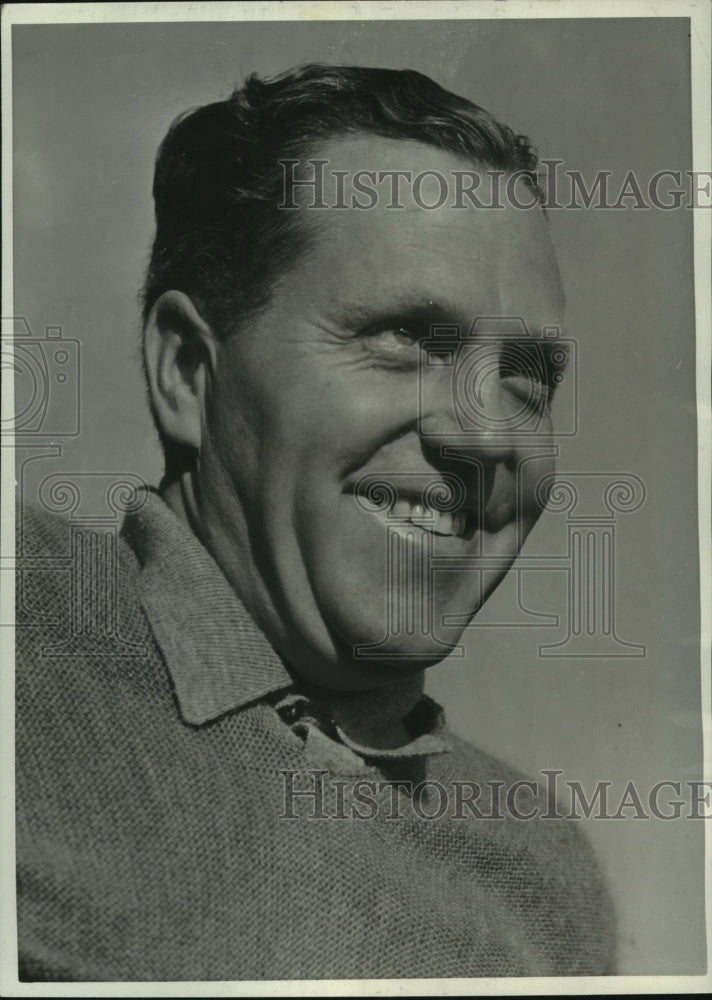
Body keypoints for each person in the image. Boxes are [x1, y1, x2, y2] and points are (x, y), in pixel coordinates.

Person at [16, 64, 615, 980]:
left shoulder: (544, 876)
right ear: (186, 372)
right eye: (408, 339)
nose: (487, 434)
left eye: (526, 380)